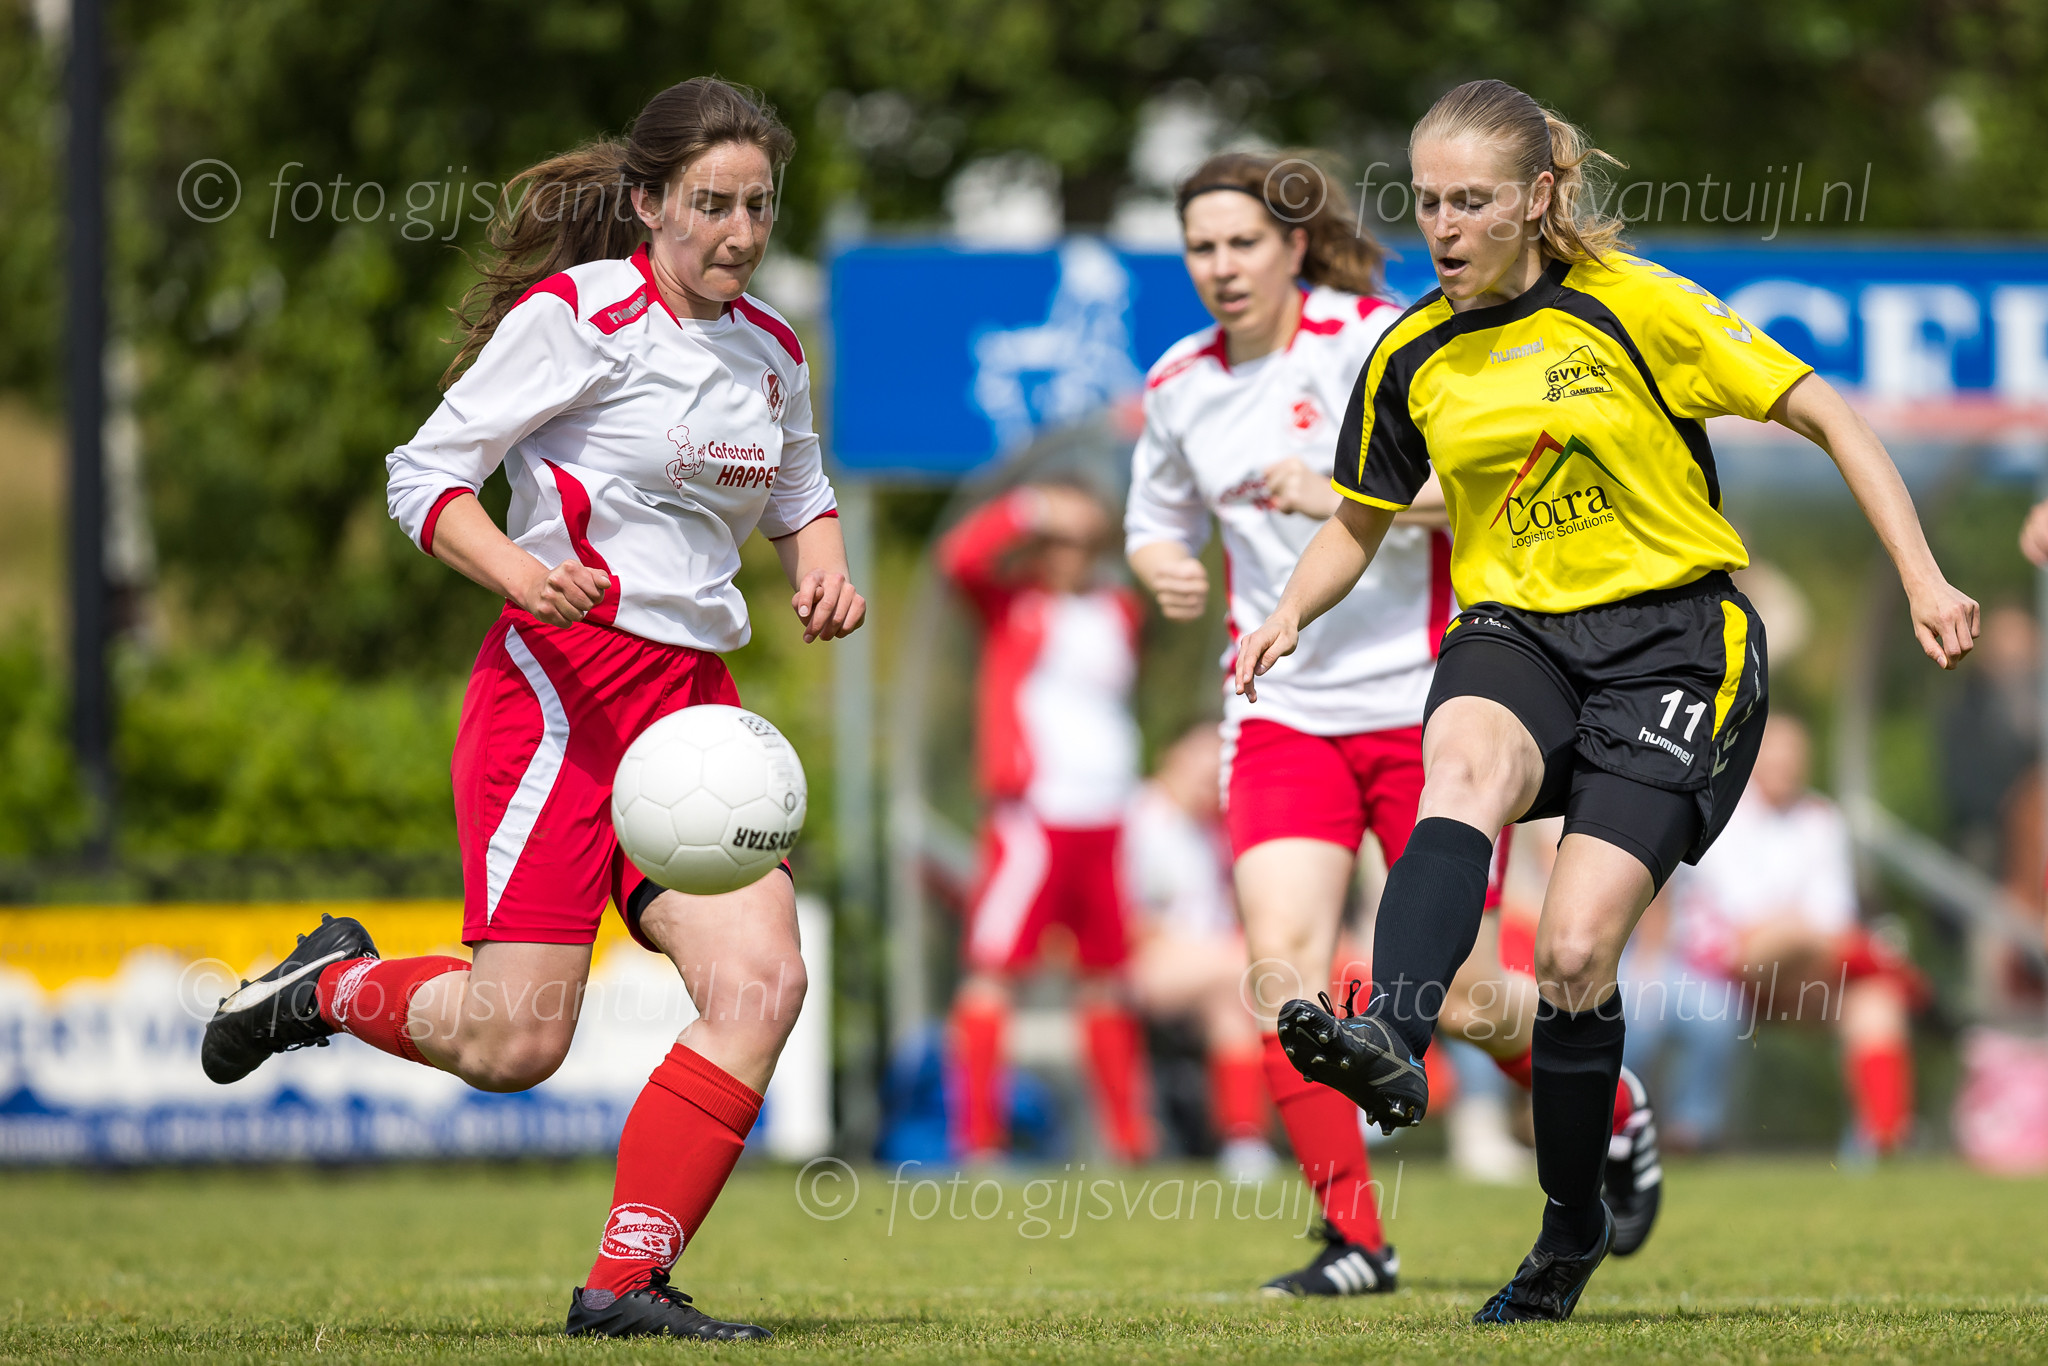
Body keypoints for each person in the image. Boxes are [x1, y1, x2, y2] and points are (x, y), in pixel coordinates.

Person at [1237, 79, 1978, 1324]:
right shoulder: (1409, 353)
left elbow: (1827, 414)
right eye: (1426, 202)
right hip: (1515, 633)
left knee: (1574, 953)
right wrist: (1286, 613)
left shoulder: (1636, 306)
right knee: (1459, 769)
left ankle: (1567, 1223)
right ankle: (1391, 1043)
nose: (1443, 227)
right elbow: (1357, 520)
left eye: (1471, 201)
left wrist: (1920, 574)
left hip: (1672, 647)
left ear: (1537, 197)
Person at [199, 79, 864, 1342]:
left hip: (693, 720)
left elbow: (800, 493)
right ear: (647, 203)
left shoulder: (774, 350)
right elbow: (423, 475)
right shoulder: (576, 316)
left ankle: (624, 1285)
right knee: (515, 1046)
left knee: (764, 983)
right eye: (710, 204)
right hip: (559, 696)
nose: (737, 231)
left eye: (758, 206)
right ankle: (328, 986)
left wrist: (820, 569)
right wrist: (517, 571)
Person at [1124, 148, 1658, 1299]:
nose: (1220, 267)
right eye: (1200, 248)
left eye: (1241, 243)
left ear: (1293, 246)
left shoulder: (1385, 338)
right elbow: (1152, 517)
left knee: (1463, 998)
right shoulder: (1176, 383)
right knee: (1280, 971)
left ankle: (1610, 1104)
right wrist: (1160, 560)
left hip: (1434, 704)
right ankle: (1355, 1242)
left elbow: (1495, 481)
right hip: (1279, 710)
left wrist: (1344, 497)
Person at [938, 482, 1156, 1165]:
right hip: (1034, 816)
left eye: (1079, 541)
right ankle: (979, 1141)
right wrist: (1032, 506)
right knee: (994, 970)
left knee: (1106, 977)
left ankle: (1128, 1143)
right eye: (1055, 542)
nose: (1068, 554)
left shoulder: (1118, 609)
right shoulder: (1012, 604)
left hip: (1107, 815)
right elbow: (958, 559)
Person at [1631, 715, 1929, 1155]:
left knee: (1876, 1006)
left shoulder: (1821, 820)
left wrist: (1799, 932)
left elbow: (1832, 913)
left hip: (1799, 972)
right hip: (1721, 973)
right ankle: (1892, 968)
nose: (1785, 767)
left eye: (1794, 757)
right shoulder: (1718, 811)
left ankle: (1880, 1147)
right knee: (1789, 945)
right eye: (1776, 755)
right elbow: (1743, 923)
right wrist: (1801, 930)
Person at [1122, 723, 1277, 1178]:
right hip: (1145, 966)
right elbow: (1131, 923)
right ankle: (1351, 1085)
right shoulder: (1140, 820)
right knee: (1258, 965)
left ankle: (1245, 1142)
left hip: (1212, 969)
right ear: (1171, 757)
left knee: (1232, 1007)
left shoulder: (1211, 830)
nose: (1210, 775)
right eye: (1200, 760)